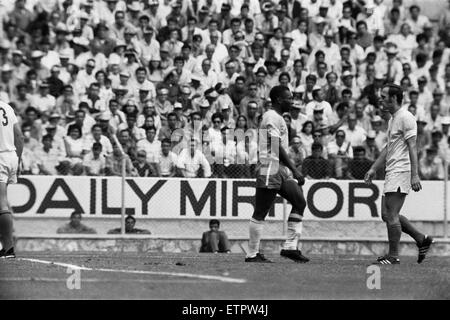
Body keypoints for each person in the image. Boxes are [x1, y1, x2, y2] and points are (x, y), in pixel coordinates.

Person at [364, 84, 434, 265]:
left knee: (392, 215)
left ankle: (393, 256)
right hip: (392, 170)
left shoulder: (406, 117)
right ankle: (421, 239)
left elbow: (413, 146)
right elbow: (389, 147)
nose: (380, 99)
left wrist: (414, 174)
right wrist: (373, 168)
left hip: (401, 170)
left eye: (384, 96)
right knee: (386, 215)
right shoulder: (393, 119)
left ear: (394, 99)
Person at [245, 85, 309, 263]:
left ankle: (290, 248)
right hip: (269, 166)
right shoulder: (271, 116)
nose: (292, 100)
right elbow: (275, 145)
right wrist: (295, 169)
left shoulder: (278, 117)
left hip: (279, 168)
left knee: (299, 201)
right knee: (261, 212)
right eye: (289, 97)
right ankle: (252, 253)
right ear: (279, 99)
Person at [0, 100, 23, 259]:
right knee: (2, 201)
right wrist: (19, 159)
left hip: (0, 155)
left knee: (2, 202)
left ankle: (8, 248)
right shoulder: (7, 107)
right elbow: (19, 135)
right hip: (11, 156)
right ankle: (6, 247)